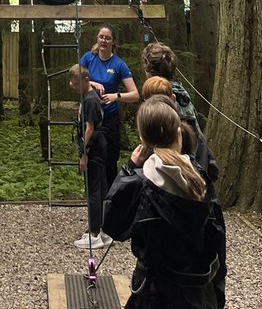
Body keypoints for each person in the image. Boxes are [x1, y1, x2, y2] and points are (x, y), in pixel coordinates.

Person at [103, 99, 226, 308]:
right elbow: (217, 240)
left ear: (143, 139)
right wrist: (216, 293)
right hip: (198, 293)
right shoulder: (199, 180)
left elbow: (112, 224)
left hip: (154, 295)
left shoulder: (139, 184)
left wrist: (130, 167)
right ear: (179, 133)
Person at [141, 43, 217, 182]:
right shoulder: (181, 91)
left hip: (180, 168)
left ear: (150, 71)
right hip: (196, 161)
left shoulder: (161, 98)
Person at [80, 25, 139, 185]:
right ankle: (92, 200)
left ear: (113, 42)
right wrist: (91, 83)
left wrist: (116, 96)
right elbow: (74, 81)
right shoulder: (88, 59)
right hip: (90, 118)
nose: (104, 40)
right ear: (97, 39)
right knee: (89, 158)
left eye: (107, 38)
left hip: (110, 119)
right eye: (101, 37)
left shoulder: (119, 64)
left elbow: (135, 94)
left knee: (110, 159)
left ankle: (110, 199)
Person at [69, 63, 110, 251]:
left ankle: (95, 234)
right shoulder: (89, 95)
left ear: (86, 80)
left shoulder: (90, 100)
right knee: (99, 188)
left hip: (94, 148)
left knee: (93, 190)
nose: (73, 86)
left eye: (76, 83)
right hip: (98, 146)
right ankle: (100, 229)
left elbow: (89, 128)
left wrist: (83, 153)